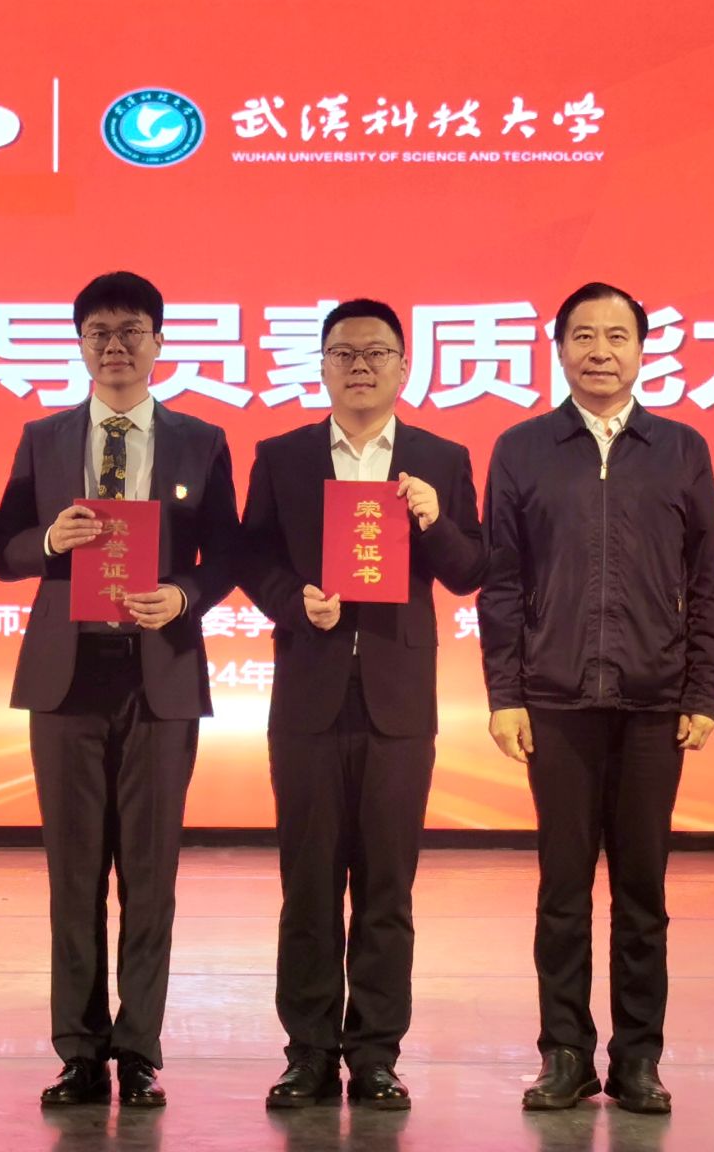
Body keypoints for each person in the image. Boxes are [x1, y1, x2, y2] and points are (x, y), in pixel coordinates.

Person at [0, 271, 241, 1108]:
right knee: (73, 875)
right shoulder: (45, 437)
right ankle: (77, 1050)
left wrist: (184, 595)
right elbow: (1, 551)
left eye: (132, 331)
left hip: (158, 674)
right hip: (67, 678)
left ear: (160, 342)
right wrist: (48, 541)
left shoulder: (201, 441)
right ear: (80, 345)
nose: (116, 347)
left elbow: (227, 554)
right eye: (99, 333)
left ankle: (138, 1052)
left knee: (149, 874)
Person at [479, 282, 714, 1115]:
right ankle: (564, 1056)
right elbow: (501, 584)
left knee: (642, 894)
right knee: (561, 892)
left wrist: (705, 690)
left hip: (655, 703)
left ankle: (638, 1060)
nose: (600, 351)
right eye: (583, 336)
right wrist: (505, 693)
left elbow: (709, 579)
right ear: (559, 350)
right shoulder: (522, 448)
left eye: (617, 336)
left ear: (642, 350)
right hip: (553, 703)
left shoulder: (681, 448)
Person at [238, 299, 485, 1110]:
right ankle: (308, 1052)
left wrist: (434, 520)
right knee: (308, 884)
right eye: (343, 353)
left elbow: (469, 570)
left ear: (404, 366)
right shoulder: (283, 456)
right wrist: (293, 602)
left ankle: (375, 1053)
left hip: (398, 701)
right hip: (308, 696)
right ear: (321, 365)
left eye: (377, 353)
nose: (360, 367)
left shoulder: (440, 459)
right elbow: (252, 557)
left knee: (386, 887)